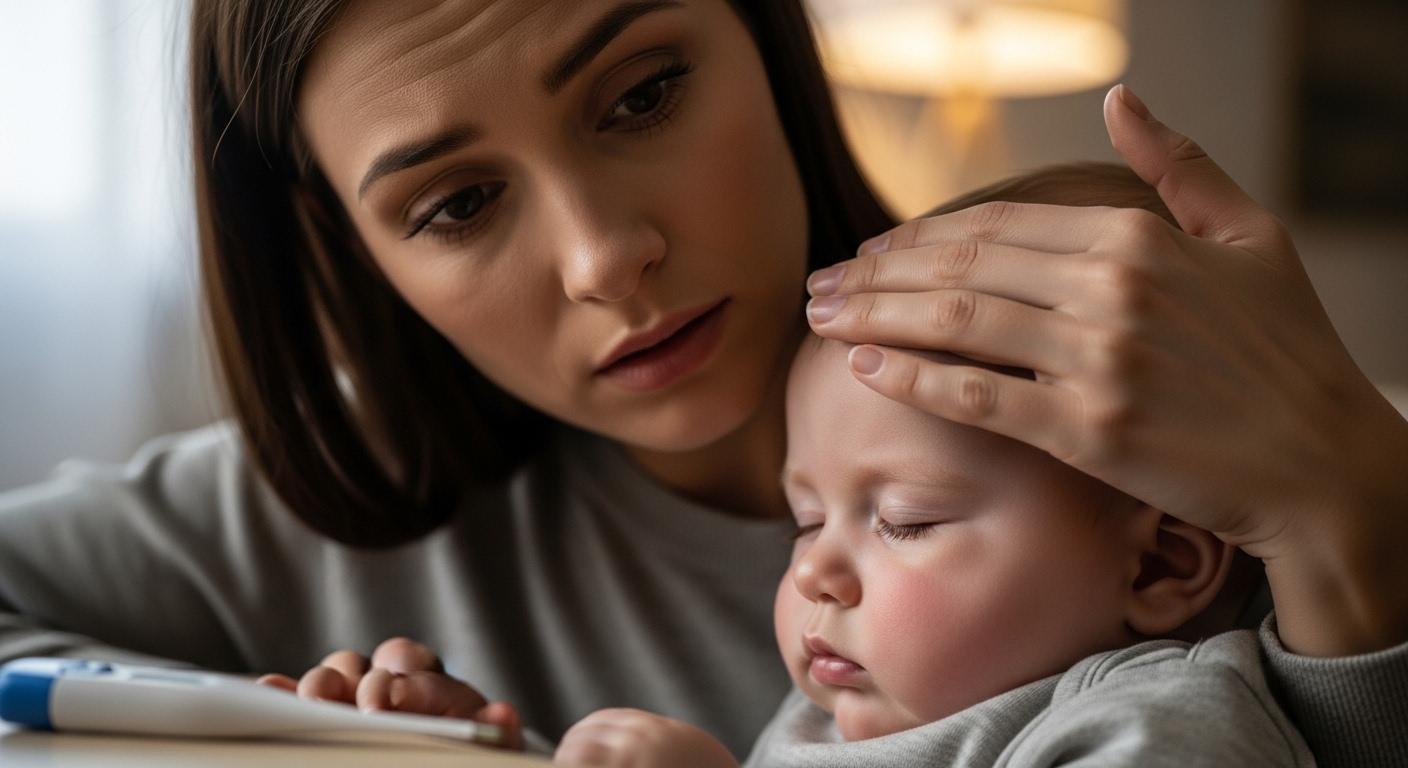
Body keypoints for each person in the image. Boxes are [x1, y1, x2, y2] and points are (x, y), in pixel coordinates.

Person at [0, 0, 1404, 765]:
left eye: (642, 95)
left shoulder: (1203, 459)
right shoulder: (305, 503)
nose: (609, 255)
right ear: (354, 256)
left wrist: (1354, 518)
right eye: (455, 204)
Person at [551, 165, 1316, 766]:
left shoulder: (1155, 725)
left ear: (1157, 564)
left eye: (903, 522)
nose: (817, 572)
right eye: (805, 521)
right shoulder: (837, 709)